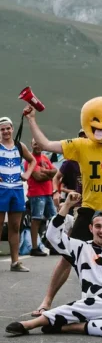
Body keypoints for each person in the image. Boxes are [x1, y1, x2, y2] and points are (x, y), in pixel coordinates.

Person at [24, 97, 102, 315]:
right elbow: (45, 144)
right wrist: (32, 120)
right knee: (67, 256)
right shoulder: (80, 145)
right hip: (89, 210)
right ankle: (47, 300)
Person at [0, 116, 36, 272]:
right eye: (2, 129)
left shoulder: (19, 146)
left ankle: (15, 262)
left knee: (15, 226)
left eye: (8, 128)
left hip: (17, 190)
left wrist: (27, 175)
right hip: (1, 190)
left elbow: (32, 160)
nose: (6, 131)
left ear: (12, 129)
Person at [25, 139, 58, 256]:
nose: (37, 146)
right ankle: (34, 248)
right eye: (35, 144)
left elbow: (55, 171)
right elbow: (37, 177)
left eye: (39, 144)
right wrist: (49, 174)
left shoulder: (45, 158)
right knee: (36, 219)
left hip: (48, 193)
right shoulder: (29, 160)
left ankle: (53, 245)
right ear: (31, 145)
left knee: (53, 219)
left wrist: (44, 171)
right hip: (36, 194)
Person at [52, 129, 86, 207]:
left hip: (95, 204)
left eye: (86, 138)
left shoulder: (97, 158)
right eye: (82, 138)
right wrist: (55, 192)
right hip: (77, 204)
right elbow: (56, 178)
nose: (84, 140)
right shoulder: (70, 162)